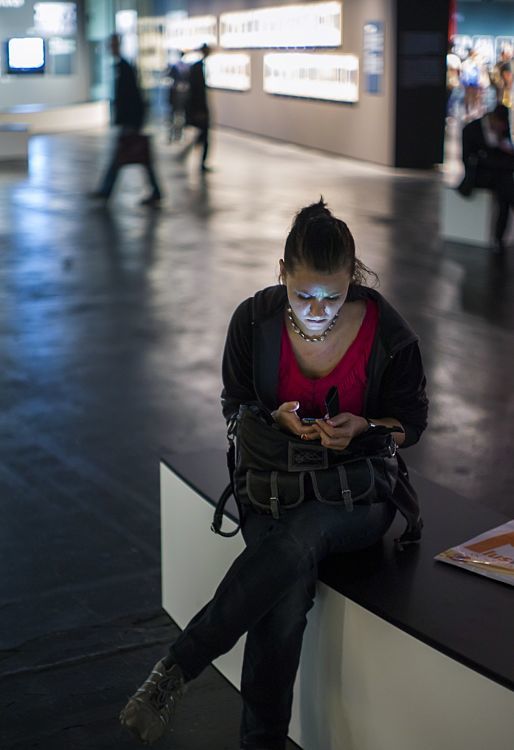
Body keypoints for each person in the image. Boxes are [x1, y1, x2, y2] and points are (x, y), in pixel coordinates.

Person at [119, 199, 429, 749]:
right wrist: (270, 416)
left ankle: (176, 668)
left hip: (357, 494)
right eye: (303, 295)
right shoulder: (254, 320)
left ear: (353, 279)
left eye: (332, 297)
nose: (317, 310)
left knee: (306, 533)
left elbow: (412, 422)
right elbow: (233, 403)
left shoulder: (387, 331)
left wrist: (364, 426)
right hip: (273, 485)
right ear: (282, 272)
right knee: (283, 598)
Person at [91, 33, 163, 207]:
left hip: (131, 122)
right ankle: (107, 190)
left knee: (132, 157)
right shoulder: (121, 66)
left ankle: (107, 191)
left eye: (112, 45)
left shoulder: (124, 68)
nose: (110, 48)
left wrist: (131, 122)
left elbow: (132, 98)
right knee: (131, 158)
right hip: (130, 122)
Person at [458, 104, 514, 253]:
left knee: (505, 192)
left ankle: (499, 238)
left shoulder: (502, 130)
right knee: (507, 189)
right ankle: (498, 238)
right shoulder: (471, 130)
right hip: (480, 175)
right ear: (493, 119)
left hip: (500, 174)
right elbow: (468, 159)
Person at [184, 43, 212, 172]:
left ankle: (200, 161)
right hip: (199, 109)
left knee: (202, 136)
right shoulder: (197, 68)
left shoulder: (199, 67)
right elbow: (196, 92)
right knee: (202, 136)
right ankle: (199, 161)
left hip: (200, 108)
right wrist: (199, 110)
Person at [167, 50, 190, 142]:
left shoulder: (184, 67)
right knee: (175, 114)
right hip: (178, 94)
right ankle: (174, 134)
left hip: (181, 94)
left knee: (179, 114)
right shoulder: (179, 67)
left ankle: (178, 134)